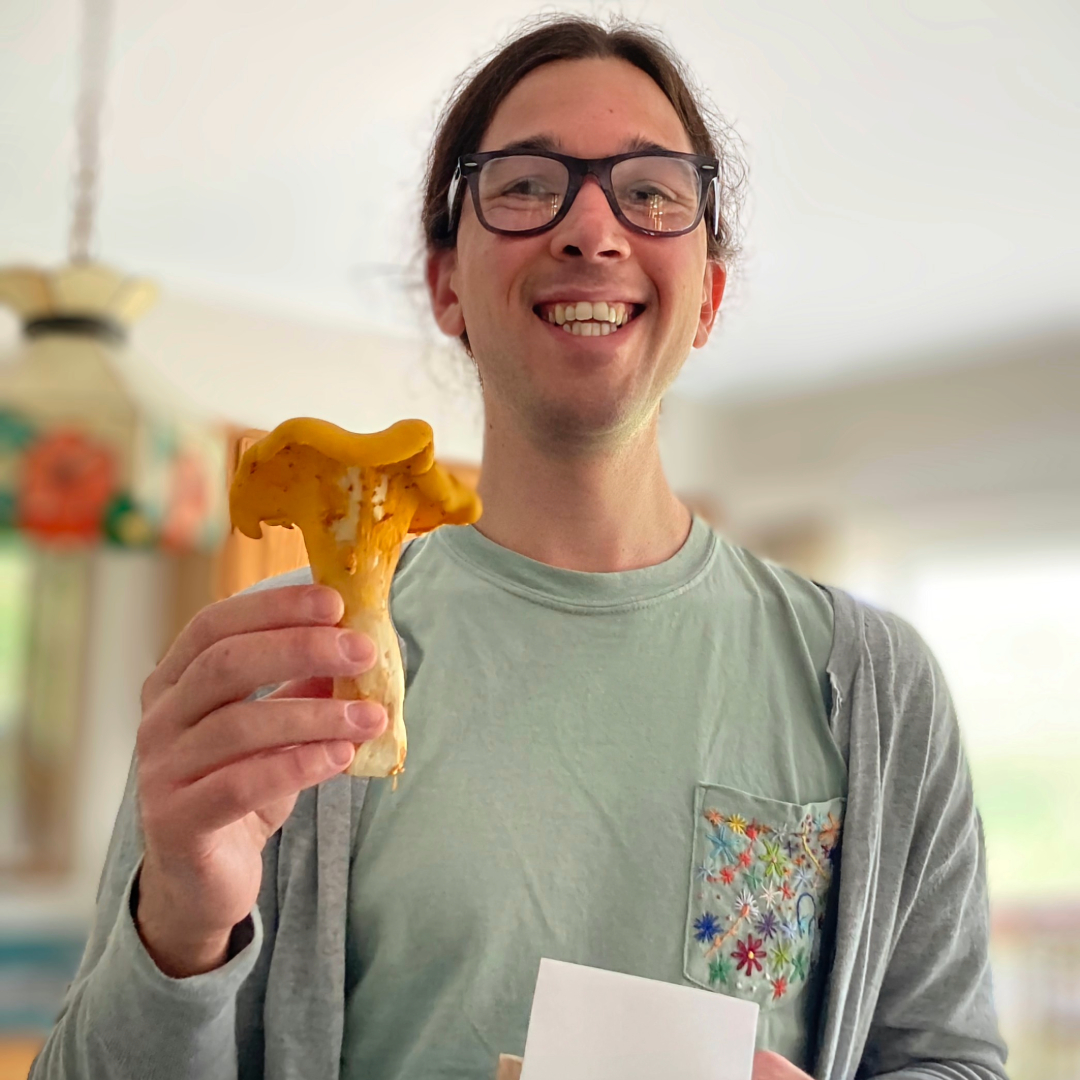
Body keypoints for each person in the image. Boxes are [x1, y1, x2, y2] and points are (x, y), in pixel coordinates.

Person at [31, 14, 1008, 1080]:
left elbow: (950, 1058)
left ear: (709, 297)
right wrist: (177, 922)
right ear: (447, 285)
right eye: (527, 184)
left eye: (651, 190)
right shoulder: (281, 682)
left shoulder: (876, 688)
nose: (592, 228)